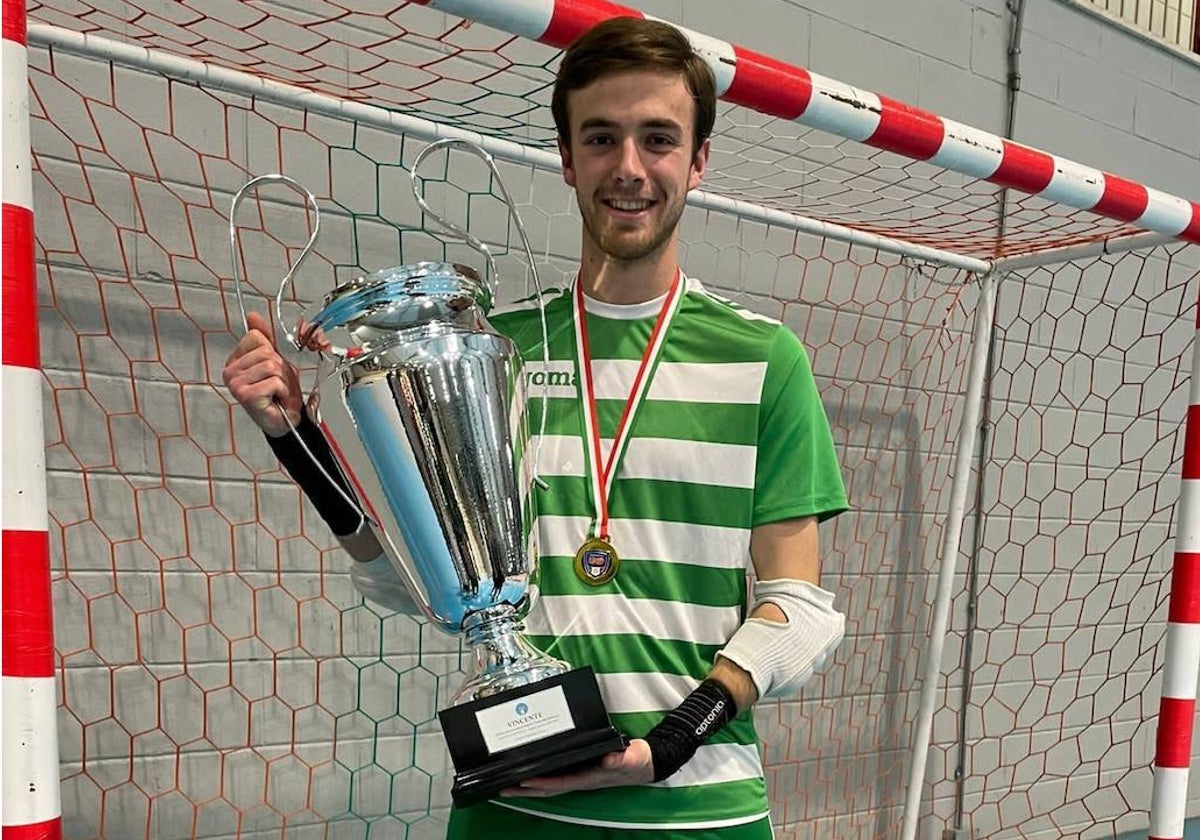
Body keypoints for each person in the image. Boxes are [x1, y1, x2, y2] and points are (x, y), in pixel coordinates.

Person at [222, 16, 849, 839]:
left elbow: (797, 610)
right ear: (566, 158)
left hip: (700, 812)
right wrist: (296, 441)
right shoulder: (489, 350)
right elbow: (408, 585)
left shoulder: (766, 359)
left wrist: (667, 743)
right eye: (601, 138)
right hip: (518, 808)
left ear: (697, 161)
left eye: (658, 139)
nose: (629, 168)